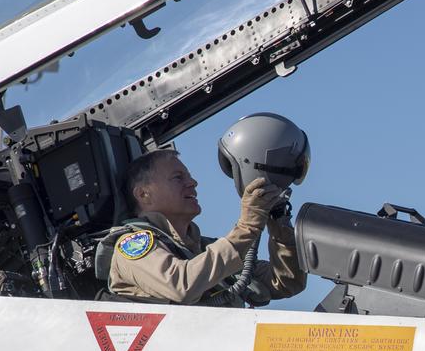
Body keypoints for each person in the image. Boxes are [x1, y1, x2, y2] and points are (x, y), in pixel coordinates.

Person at [99, 113, 309, 306]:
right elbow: (181, 285)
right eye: (178, 178)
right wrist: (247, 227)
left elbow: (286, 282)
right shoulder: (132, 247)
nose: (193, 183)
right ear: (144, 194)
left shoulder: (204, 250)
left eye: (189, 176)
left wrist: (278, 220)